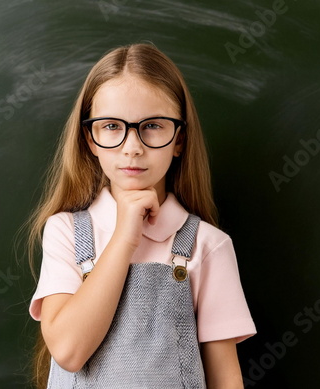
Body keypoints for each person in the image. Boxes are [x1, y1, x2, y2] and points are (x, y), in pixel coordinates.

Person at [26, 42, 256, 388]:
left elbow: (225, 378)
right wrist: (124, 237)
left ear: (179, 140)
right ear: (90, 139)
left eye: (152, 126)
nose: (132, 146)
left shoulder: (209, 247)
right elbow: (69, 351)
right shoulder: (66, 233)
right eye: (111, 127)